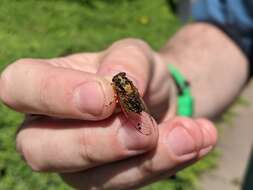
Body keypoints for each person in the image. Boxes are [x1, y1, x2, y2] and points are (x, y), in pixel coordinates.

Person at [0, 0, 252, 189]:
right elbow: (234, 29)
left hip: (134, 110)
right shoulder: (124, 84)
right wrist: (172, 83)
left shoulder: (123, 90)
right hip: (136, 109)